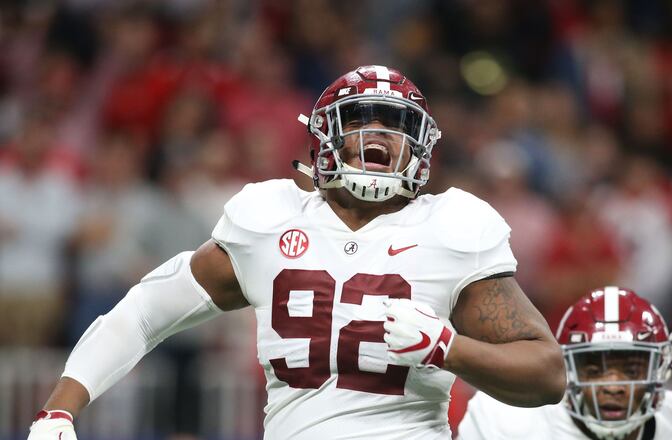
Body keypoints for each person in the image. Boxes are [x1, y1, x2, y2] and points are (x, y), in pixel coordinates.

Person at [28, 65, 566, 440]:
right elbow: (146, 311)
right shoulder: (269, 219)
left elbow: (546, 374)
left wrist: (448, 348)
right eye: (359, 120)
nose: (378, 135)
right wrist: (59, 410)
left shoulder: (452, 228)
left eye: (396, 125)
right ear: (323, 136)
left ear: (420, 145)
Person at [457, 286, 672, 440]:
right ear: (566, 367)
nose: (613, 385)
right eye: (594, 368)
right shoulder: (505, 421)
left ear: (659, 369)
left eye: (631, 368)